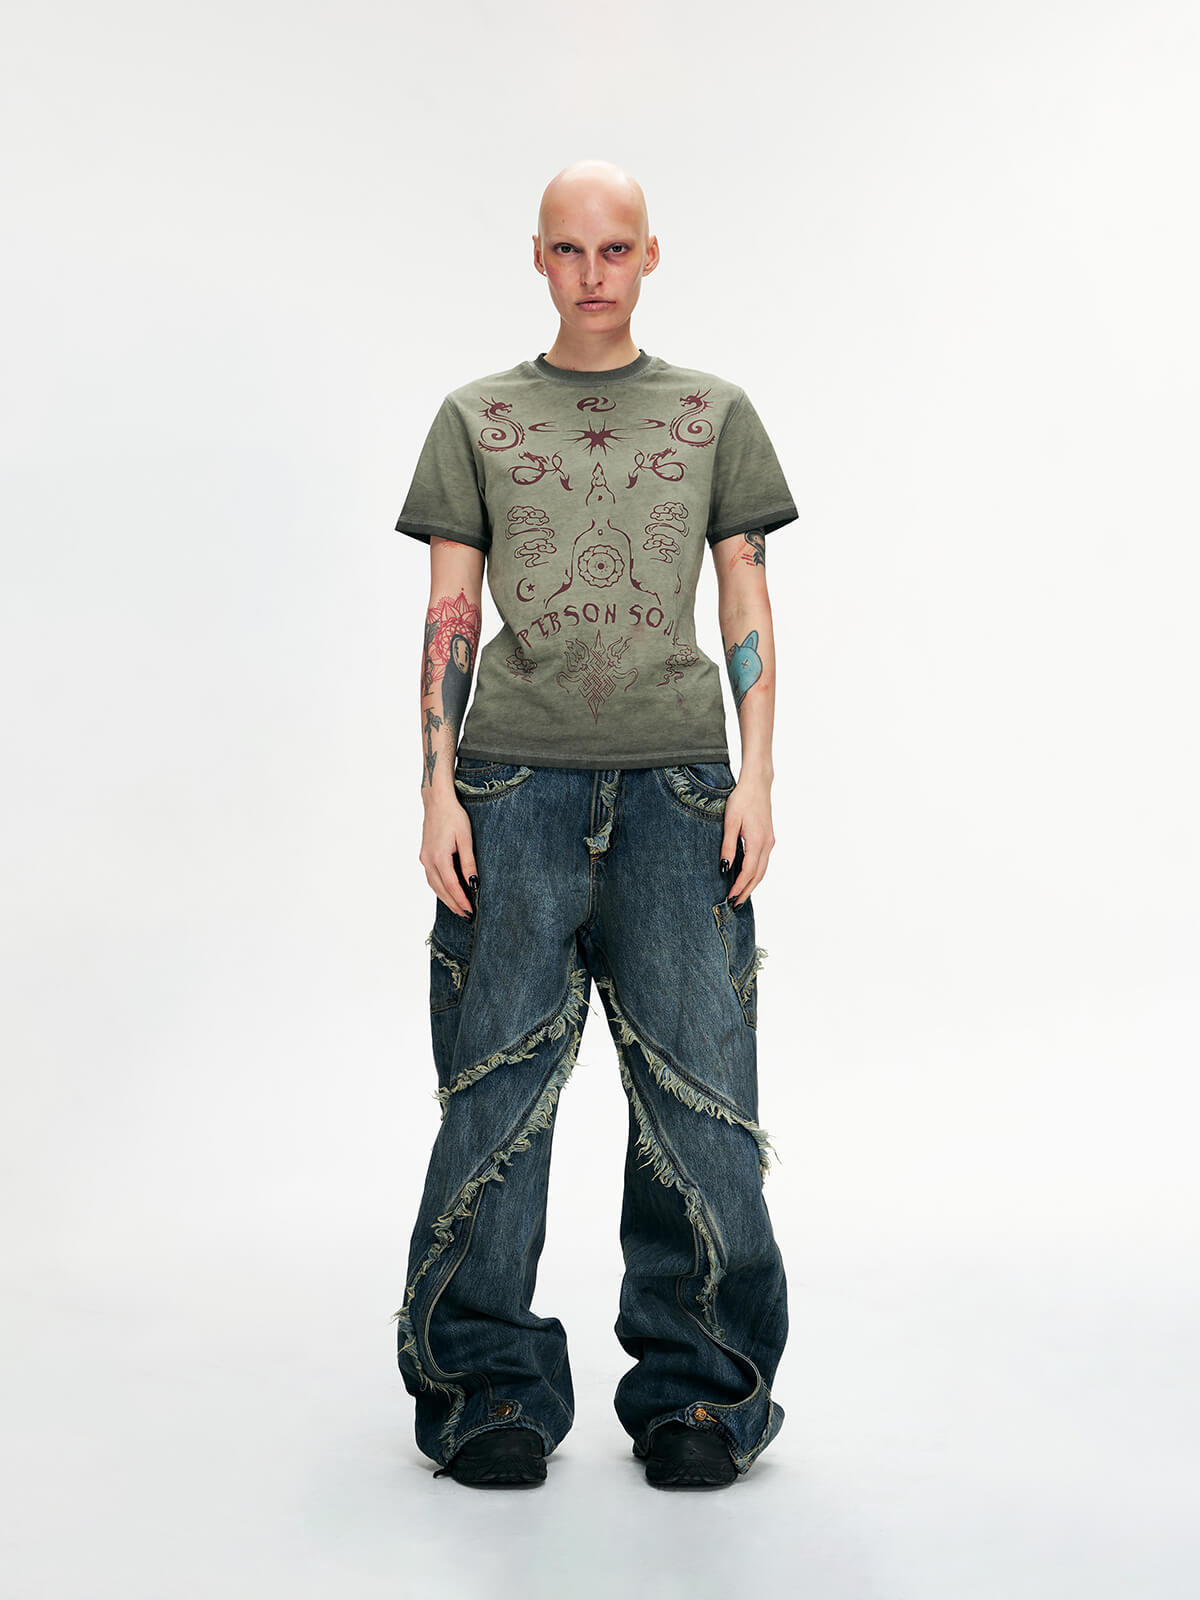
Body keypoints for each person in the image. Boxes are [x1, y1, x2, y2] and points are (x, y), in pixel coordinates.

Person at [390, 158, 797, 1490]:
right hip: (514, 787)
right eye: (568, 249)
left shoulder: (713, 413)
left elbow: (746, 601)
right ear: (537, 257)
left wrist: (758, 777)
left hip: (679, 789)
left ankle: (699, 1395)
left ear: (651, 254)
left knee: (700, 1100)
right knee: (495, 1091)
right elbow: (451, 613)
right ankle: (487, 1390)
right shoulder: (477, 416)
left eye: (615, 248)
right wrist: (437, 789)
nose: (592, 272)